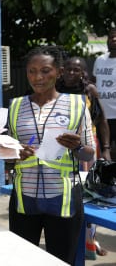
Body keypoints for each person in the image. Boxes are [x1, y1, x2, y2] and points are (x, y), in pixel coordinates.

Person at [0, 46, 96, 264]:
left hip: (64, 199)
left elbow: (89, 156)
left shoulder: (76, 104)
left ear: (59, 72)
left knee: (61, 260)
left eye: (45, 70)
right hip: (25, 199)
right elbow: (7, 153)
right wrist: (3, 149)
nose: (37, 77)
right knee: (24, 260)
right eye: (31, 71)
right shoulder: (15, 106)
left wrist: (77, 147)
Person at [58, 56, 110, 259]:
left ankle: (91, 241)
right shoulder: (56, 90)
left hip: (86, 150)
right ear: (62, 71)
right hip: (61, 148)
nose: (72, 73)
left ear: (83, 73)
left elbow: (102, 120)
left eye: (76, 70)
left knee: (88, 195)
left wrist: (105, 149)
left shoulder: (90, 91)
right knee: (66, 193)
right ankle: (67, 234)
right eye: (68, 69)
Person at [93, 28, 116, 159]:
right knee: (103, 151)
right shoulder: (100, 60)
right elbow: (94, 81)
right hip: (102, 115)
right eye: (111, 37)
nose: (114, 39)